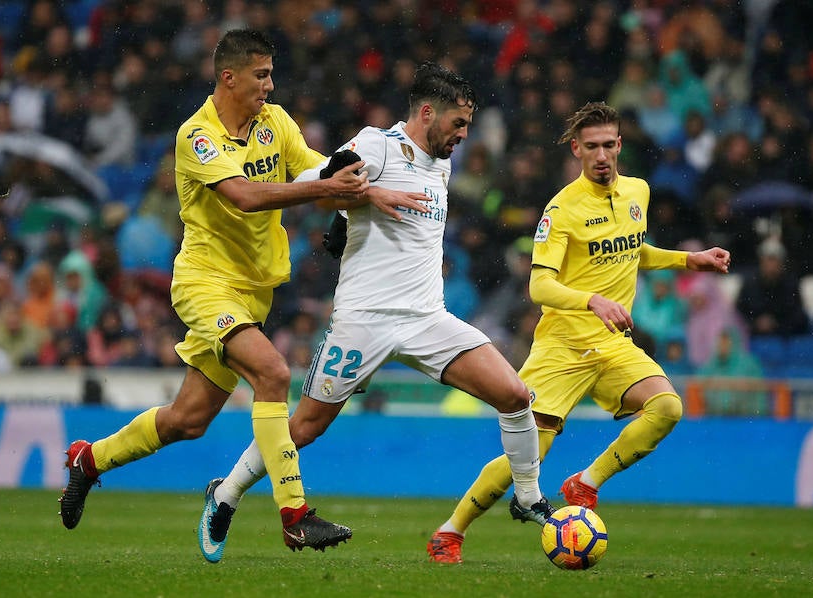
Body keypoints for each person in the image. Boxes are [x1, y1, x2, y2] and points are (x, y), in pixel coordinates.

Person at [59, 29, 429, 553]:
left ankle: (88, 459)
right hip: (205, 284)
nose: (270, 85)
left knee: (187, 420)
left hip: (254, 291)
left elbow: (317, 168)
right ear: (229, 77)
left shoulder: (274, 123)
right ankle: (295, 515)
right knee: (274, 373)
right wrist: (328, 189)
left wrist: (368, 189)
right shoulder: (197, 136)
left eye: (271, 74)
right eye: (261, 75)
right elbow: (245, 196)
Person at [197, 62, 552, 564]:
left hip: (429, 318)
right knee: (303, 428)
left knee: (515, 394)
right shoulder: (374, 145)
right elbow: (311, 184)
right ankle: (225, 495)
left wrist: (347, 219)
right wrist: (362, 194)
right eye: (458, 124)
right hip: (363, 320)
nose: (464, 136)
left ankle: (528, 495)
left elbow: (346, 218)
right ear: (427, 113)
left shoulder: (443, 162)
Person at [427, 102, 732, 563]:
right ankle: (450, 532)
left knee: (667, 407)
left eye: (609, 144)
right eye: (592, 147)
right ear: (577, 150)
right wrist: (592, 299)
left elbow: (633, 250)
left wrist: (689, 259)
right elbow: (539, 283)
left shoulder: (639, 192)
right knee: (527, 458)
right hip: (563, 348)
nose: (603, 155)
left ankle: (584, 483)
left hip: (612, 346)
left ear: (620, 145)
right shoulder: (561, 208)